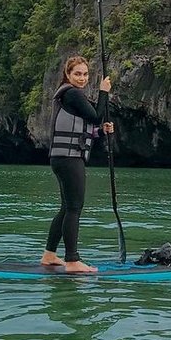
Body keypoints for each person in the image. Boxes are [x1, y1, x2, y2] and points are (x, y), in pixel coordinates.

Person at [40, 53, 115, 274]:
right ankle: (72, 261)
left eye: (85, 74)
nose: (82, 78)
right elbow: (96, 115)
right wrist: (104, 91)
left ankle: (49, 255)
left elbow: (88, 125)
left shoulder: (69, 96)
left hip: (62, 158)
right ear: (67, 75)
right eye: (77, 74)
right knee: (75, 208)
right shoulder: (72, 93)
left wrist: (102, 131)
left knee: (66, 208)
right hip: (69, 159)